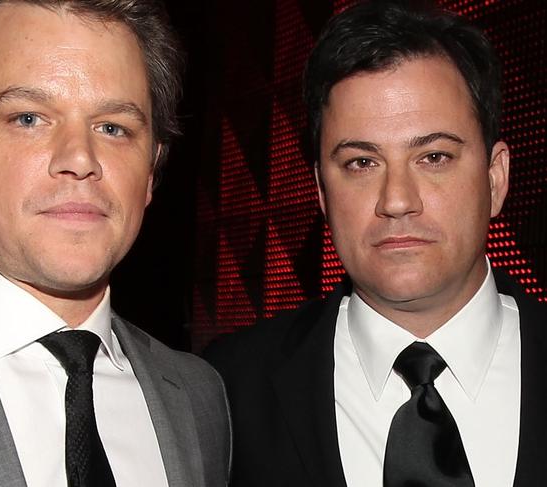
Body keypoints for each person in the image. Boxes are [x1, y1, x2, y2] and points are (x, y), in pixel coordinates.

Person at [205, 1, 546, 486]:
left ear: (495, 179)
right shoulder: (227, 388)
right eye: (362, 163)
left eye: (434, 156)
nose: (397, 200)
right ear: (322, 193)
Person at [0, 1, 230, 486]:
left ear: (152, 170)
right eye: (29, 118)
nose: (79, 158)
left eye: (113, 127)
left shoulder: (199, 398)